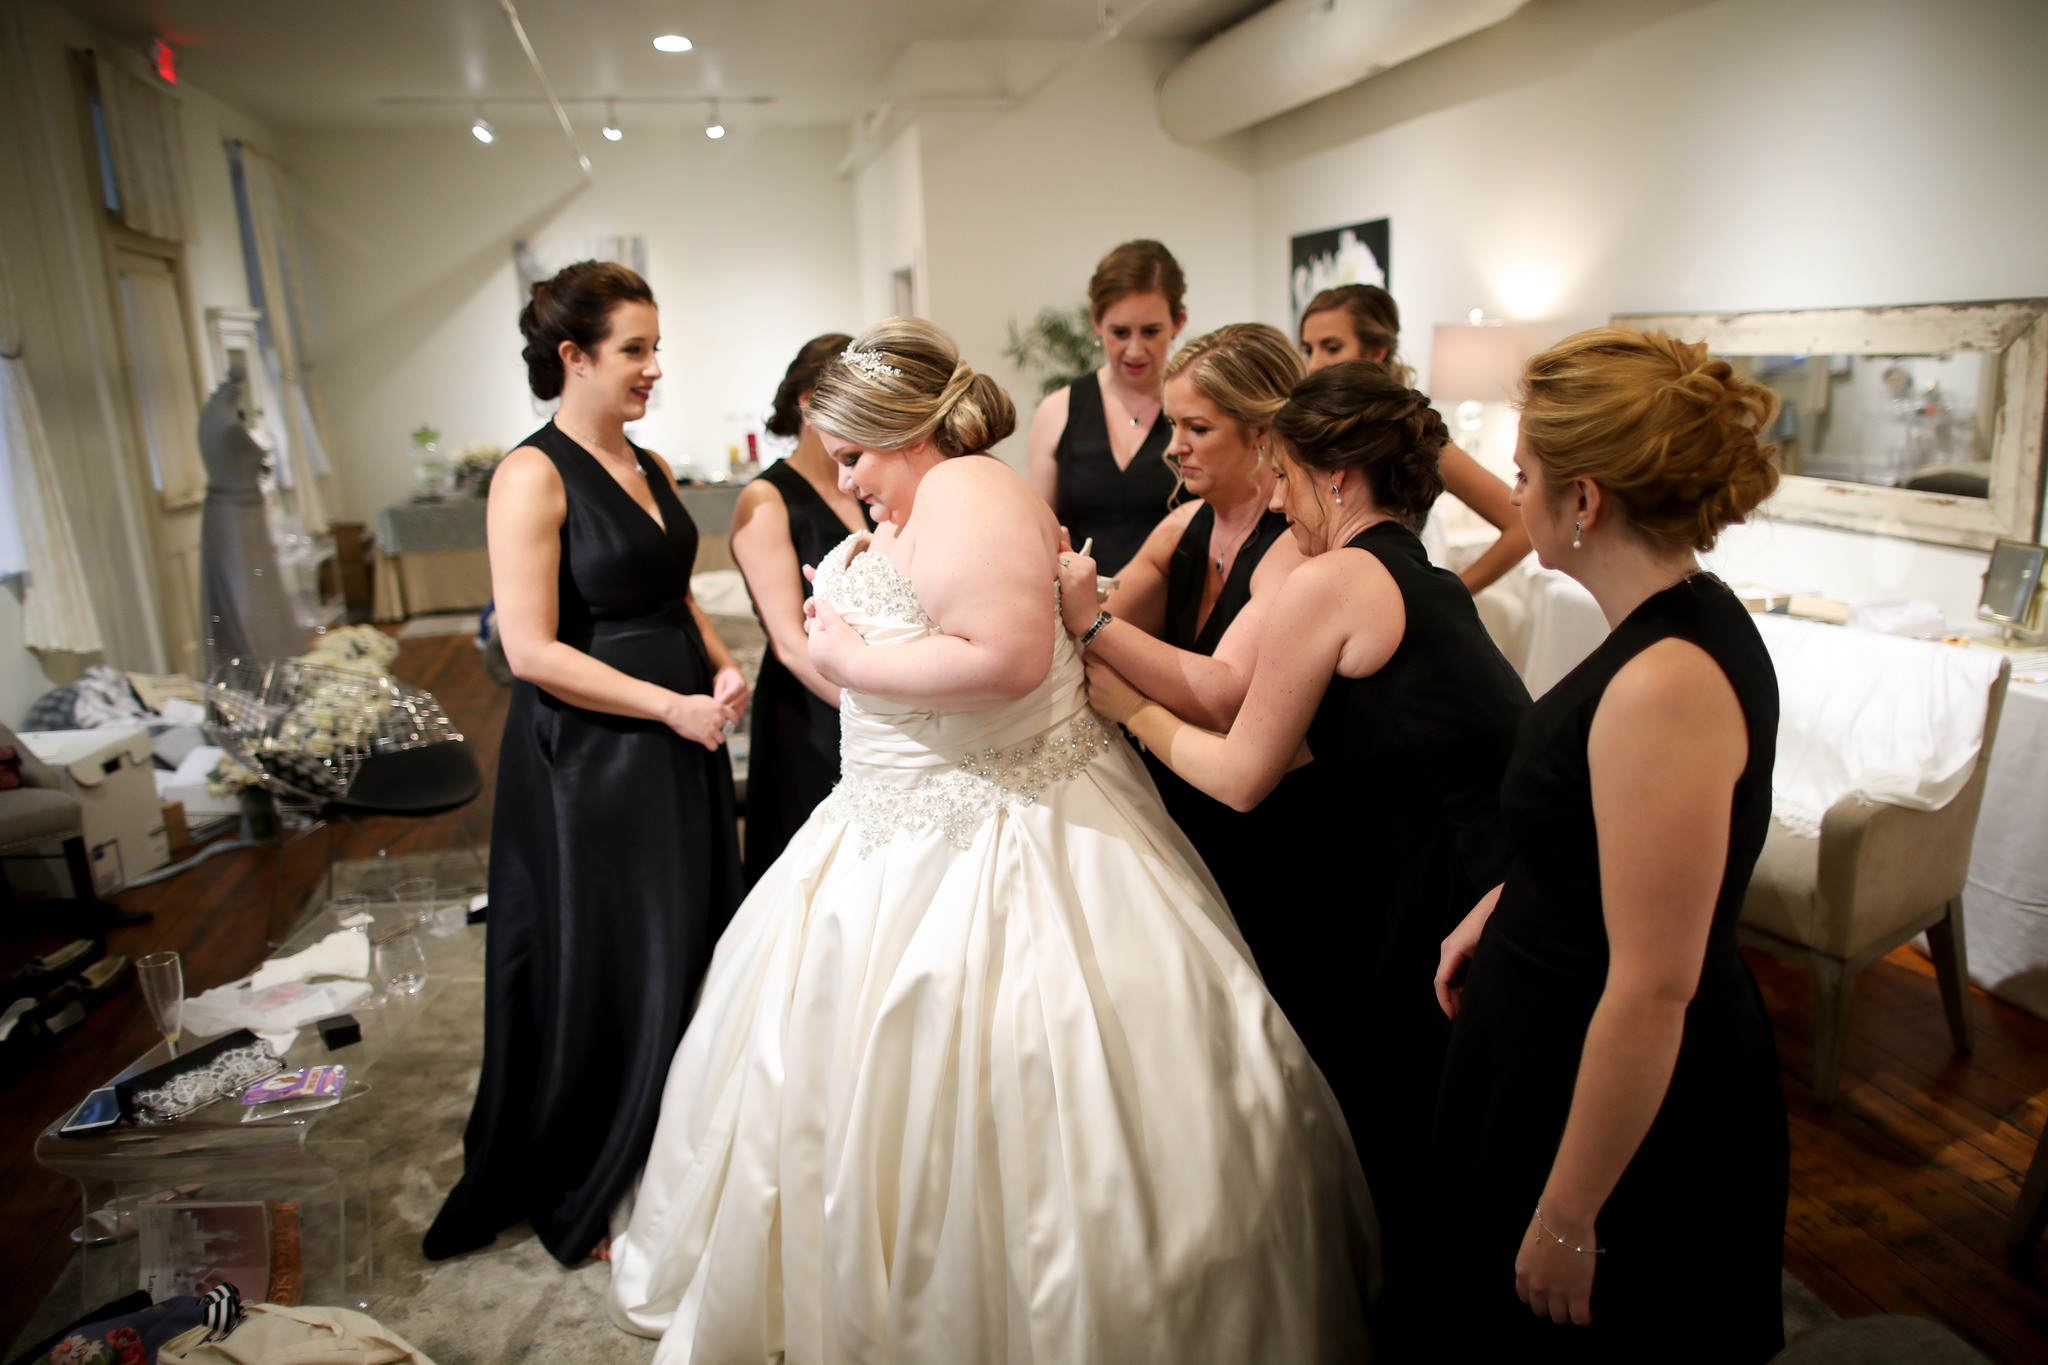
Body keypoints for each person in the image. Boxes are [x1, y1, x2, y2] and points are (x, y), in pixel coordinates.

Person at [606, 319, 1374, 1364]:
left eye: (855, 457)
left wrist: (847, 657)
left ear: (906, 431)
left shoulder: (970, 488)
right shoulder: (925, 503)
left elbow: (1006, 659)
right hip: (890, 814)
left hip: (1007, 820)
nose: (848, 482)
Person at [1086, 359, 1528, 1352]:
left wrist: (1129, 708)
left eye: (1285, 477)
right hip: (1463, 870)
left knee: (1410, 1127)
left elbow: (1243, 774)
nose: (1278, 504)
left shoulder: (1333, 579)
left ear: (1336, 477)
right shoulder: (1410, 573)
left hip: (1448, 891)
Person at [1428, 328, 1787, 1361]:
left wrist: (1567, 1215)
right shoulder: (1667, 626)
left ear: (1582, 499)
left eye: (1522, 473)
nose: (1512, 493)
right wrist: (1502, 903)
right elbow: (1600, 836)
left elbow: (1654, 987)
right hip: (1543, 1024)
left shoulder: (1667, 682)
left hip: (1608, 1080)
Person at [424, 261, 747, 1267]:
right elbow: (529, 650)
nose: (654, 368)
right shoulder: (530, 475)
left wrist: (721, 660)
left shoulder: (648, 464)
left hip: (682, 734)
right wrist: (669, 705)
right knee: (617, 957)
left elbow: (670, 589)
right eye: (633, 350)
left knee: (687, 939)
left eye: (656, 347)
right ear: (573, 356)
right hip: (596, 754)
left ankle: (676, 1148)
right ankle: (594, 1169)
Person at [1054, 322, 1316, 932]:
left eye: (1197, 428)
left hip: (1273, 827)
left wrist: (1092, 621)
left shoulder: (1294, 545)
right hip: (1183, 797)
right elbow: (1091, 630)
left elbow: (1226, 694)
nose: (1174, 448)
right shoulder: (1183, 526)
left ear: (1261, 432)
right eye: (1173, 426)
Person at [729, 332, 872, 884]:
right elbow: (790, 643)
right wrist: (870, 708)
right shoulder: (767, 499)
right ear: (809, 402)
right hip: (811, 708)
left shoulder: (865, 482)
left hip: (876, 683)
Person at [1297, 284, 1531, 592]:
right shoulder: (1302, 432)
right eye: (1308, 350)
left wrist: (1447, 593)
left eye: (1332, 347)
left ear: (1376, 351)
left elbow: (1521, 525)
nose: (1314, 364)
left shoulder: (1413, 435)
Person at [1027, 239, 1188, 575]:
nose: (1135, 350)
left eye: (1151, 332)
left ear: (1178, 322)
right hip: (1083, 599)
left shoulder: (1197, 411)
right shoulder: (1058, 411)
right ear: (1097, 323)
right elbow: (1041, 534)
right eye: (1120, 332)